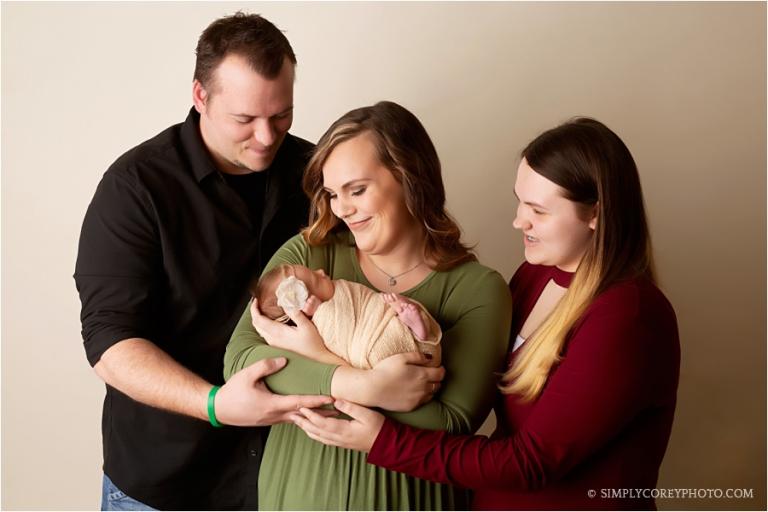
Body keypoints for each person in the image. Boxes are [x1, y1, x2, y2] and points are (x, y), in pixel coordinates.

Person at [291, 117, 681, 510]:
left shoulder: (629, 316)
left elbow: (532, 462)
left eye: (538, 211)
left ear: (595, 213)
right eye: (520, 201)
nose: (518, 220)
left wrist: (383, 441)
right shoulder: (535, 275)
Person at [74, 13, 333, 510]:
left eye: (281, 116)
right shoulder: (135, 188)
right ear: (201, 96)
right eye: (245, 119)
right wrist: (216, 405)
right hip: (168, 484)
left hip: (289, 477)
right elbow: (109, 341)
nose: (265, 136)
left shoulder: (316, 174)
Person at [224, 100, 512, 510]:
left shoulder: (477, 289)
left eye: (357, 190)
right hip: (295, 494)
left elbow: (451, 422)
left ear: (411, 178)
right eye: (332, 194)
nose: (342, 209)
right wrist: (361, 385)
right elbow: (241, 361)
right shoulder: (307, 258)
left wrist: (313, 365)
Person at [252, 263, 443, 368]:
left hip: (377, 315)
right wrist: (320, 312)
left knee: (393, 306)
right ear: (303, 308)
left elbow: (366, 300)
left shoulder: (339, 288)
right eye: (316, 278)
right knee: (380, 348)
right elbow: (339, 335)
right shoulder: (318, 325)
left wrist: (383, 305)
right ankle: (416, 330)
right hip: (371, 343)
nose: (322, 271)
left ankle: (414, 326)